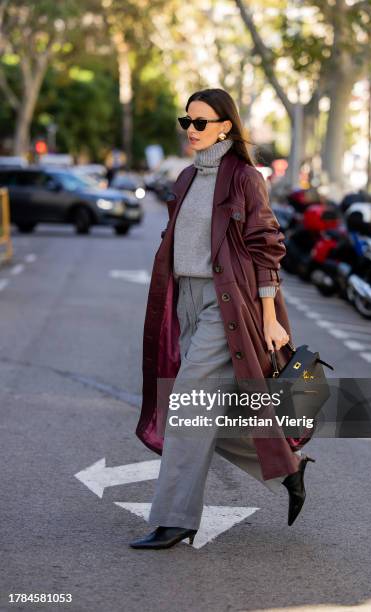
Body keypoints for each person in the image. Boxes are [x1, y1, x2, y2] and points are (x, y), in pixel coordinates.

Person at [130, 88, 315, 550]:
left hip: (226, 303)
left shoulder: (245, 178)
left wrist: (271, 318)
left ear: (225, 126)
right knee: (205, 411)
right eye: (185, 121)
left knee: (187, 406)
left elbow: (266, 246)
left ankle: (175, 519)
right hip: (184, 300)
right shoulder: (187, 176)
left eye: (200, 122)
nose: (190, 130)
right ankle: (287, 469)